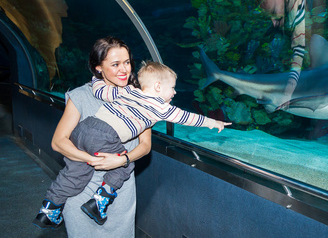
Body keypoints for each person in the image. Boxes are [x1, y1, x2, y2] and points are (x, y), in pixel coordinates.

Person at [33, 42, 231, 229]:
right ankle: (99, 202)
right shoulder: (162, 109)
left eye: (127, 63)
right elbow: (188, 118)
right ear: (158, 87)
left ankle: (49, 209)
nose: (175, 93)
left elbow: (101, 91)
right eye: (172, 88)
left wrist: (95, 79)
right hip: (107, 136)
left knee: (72, 174)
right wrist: (213, 122)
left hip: (84, 129)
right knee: (123, 165)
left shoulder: (127, 92)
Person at [32, 37, 152, 236]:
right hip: (80, 188)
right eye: (115, 64)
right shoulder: (80, 96)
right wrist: (93, 160)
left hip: (118, 189)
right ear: (98, 67)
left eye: (127, 62)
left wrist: (122, 159)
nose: (124, 70)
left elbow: (145, 145)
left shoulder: (140, 99)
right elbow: (58, 141)